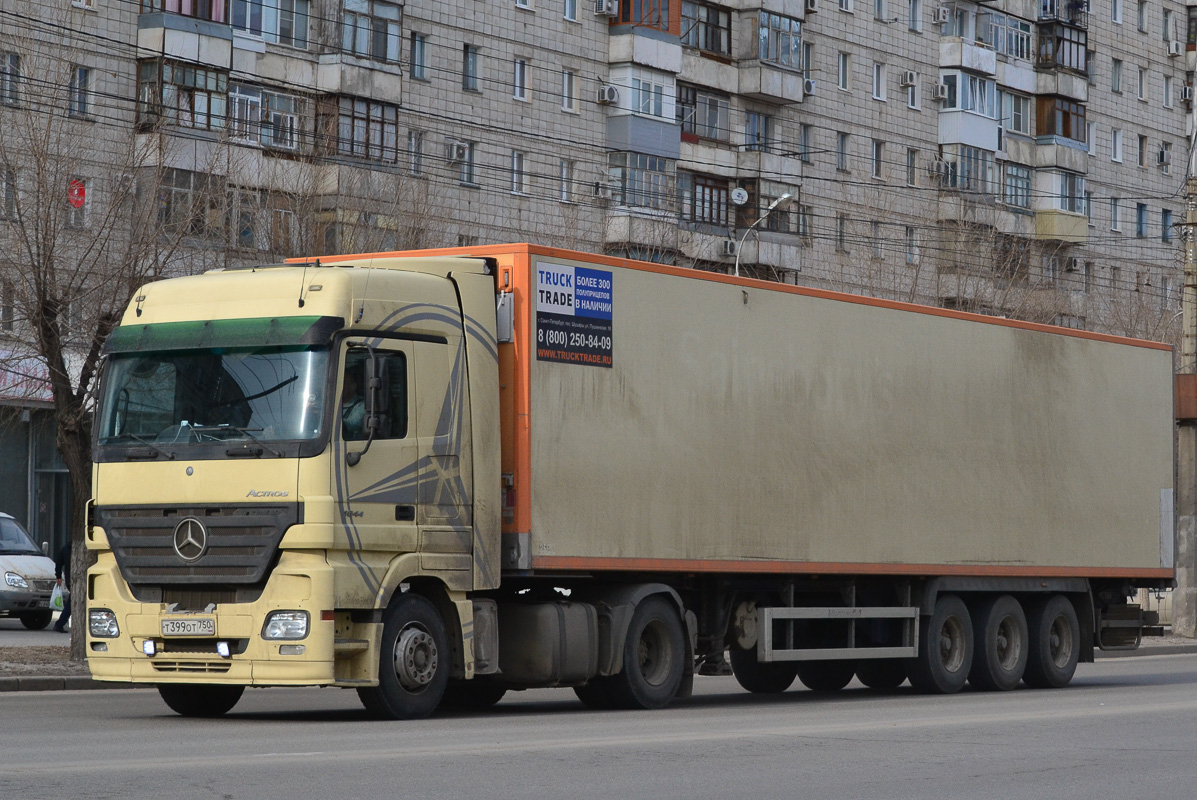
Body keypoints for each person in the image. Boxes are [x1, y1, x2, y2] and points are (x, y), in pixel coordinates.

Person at [341, 367, 366, 440]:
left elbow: (352, 424)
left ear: (353, 385)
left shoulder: (362, 406)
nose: (339, 386)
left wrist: (327, 421)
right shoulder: (332, 405)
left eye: (343, 382)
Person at [54, 539, 71, 633]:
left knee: (72, 603)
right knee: (71, 604)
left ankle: (60, 624)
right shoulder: (83, 548)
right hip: (79, 580)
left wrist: (58, 576)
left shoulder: (66, 548)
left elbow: (59, 563)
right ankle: (59, 624)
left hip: (70, 580)